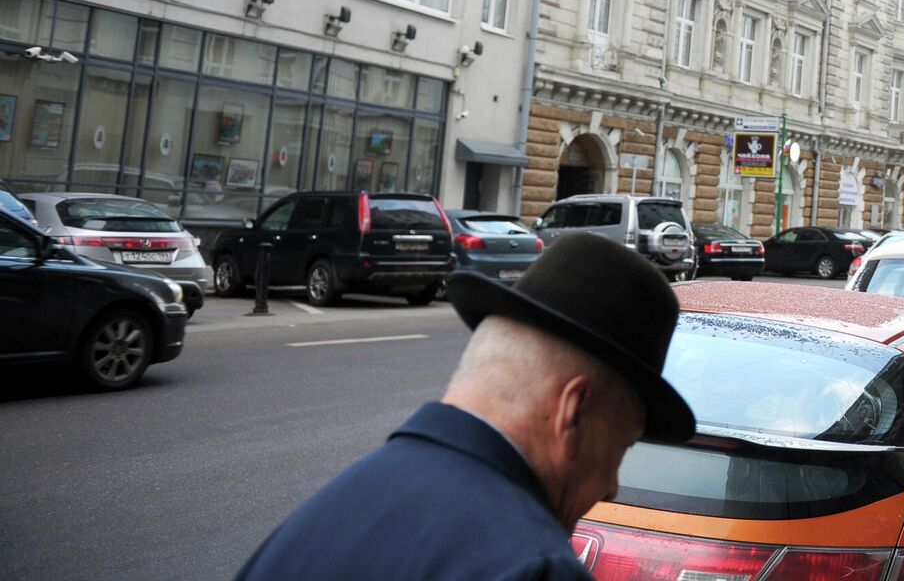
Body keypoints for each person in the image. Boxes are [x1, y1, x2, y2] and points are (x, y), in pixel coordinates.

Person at [234, 235, 695, 580]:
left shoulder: (317, 522)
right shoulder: (530, 565)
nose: (612, 487)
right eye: (623, 445)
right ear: (571, 412)